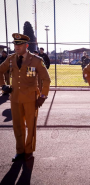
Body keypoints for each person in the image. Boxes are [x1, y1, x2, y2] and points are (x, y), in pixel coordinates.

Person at [0, 33, 51, 162]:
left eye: (20, 44)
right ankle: (20, 151)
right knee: (17, 125)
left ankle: (29, 151)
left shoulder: (36, 60)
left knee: (31, 125)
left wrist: (43, 96)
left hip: (31, 99)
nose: (17, 47)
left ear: (26, 45)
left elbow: (46, 79)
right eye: (15, 44)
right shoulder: (11, 59)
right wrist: (3, 85)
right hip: (15, 98)